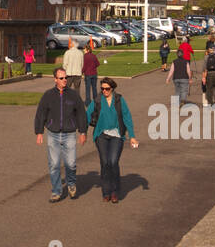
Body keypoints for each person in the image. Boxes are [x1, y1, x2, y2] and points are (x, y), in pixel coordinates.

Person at [34, 65, 87, 202]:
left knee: (71, 163)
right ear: (55, 79)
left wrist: (82, 131)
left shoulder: (74, 95)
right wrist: (39, 132)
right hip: (53, 134)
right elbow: (41, 114)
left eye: (66, 77)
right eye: (61, 78)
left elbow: (81, 113)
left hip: (69, 134)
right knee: (54, 164)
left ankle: (71, 184)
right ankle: (56, 191)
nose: (65, 80)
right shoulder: (48, 95)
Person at [85, 77, 139, 204]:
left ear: (112, 88)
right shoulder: (98, 100)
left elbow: (127, 117)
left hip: (116, 135)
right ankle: (106, 192)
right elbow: (87, 115)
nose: (104, 91)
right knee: (105, 162)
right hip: (101, 135)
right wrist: (83, 132)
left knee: (113, 162)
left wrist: (132, 136)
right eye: (102, 89)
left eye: (107, 89)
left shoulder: (119, 100)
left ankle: (115, 191)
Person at [82, 41, 99, 106]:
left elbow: (84, 66)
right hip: (94, 73)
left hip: (88, 74)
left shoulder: (85, 56)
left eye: (84, 49)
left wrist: (82, 72)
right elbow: (97, 64)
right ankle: (96, 101)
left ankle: (88, 102)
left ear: (87, 50)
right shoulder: (94, 56)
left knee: (88, 88)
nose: (83, 50)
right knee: (94, 88)